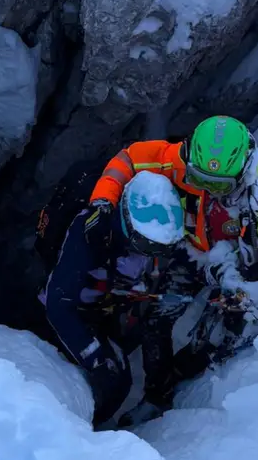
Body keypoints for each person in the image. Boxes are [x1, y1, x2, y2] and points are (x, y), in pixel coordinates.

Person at [43, 171, 188, 428]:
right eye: (146, 244)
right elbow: (59, 304)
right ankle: (84, 432)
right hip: (72, 310)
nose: (153, 252)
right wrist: (95, 356)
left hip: (109, 303)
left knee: (130, 350)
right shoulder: (89, 234)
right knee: (114, 380)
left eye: (159, 247)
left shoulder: (148, 236)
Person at [87, 115, 258, 288]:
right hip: (184, 248)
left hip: (220, 263)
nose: (207, 189)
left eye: (218, 186)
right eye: (199, 179)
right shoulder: (181, 159)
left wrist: (231, 273)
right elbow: (128, 159)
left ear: (242, 173)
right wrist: (103, 200)